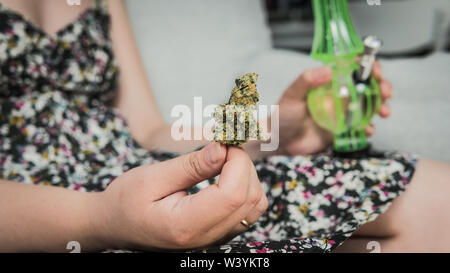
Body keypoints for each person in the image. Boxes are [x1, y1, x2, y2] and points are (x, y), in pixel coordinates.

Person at [0, 0, 449, 253]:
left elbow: (147, 130)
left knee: (436, 199)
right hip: (51, 215)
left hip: (135, 174)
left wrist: (274, 134)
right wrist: (98, 218)